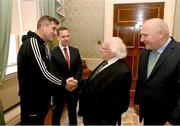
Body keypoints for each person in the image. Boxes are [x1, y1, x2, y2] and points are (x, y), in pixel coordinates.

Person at [17, 15, 77, 125]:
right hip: (33, 100)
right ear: (43, 26)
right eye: (53, 28)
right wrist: (64, 84)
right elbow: (44, 72)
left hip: (41, 98)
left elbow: (50, 70)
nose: (55, 32)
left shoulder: (42, 44)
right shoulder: (33, 42)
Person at [134, 18, 180, 125]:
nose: (141, 39)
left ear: (160, 34)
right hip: (148, 113)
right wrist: (138, 101)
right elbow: (142, 80)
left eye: (145, 35)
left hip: (168, 117)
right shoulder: (145, 52)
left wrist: (173, 120)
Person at [78, 37, 132, 125]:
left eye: (103, 48)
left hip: (100, 119)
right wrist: (78, 83)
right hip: (90, 114)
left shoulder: (123, 72)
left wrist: (104, 120)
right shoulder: (106, 62)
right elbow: (94, 81)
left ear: (112, 52)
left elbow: (121, 104)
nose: (100, 50)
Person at [51, 26, 83, 125]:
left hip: (73, 87)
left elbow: (79, 68)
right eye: (63, 36)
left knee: (72, 111)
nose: (66, 38)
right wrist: (65, 83)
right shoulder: (52, 53)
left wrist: (76, 80)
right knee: (57, 112)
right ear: (58, 37)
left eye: (67, 36)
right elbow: (53, 72)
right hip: (60, 89)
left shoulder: (75, 51)